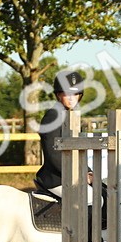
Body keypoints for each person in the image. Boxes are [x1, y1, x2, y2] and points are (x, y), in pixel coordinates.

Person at [35, 69, 85, 199]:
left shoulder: (71, 116)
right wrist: (77, 174)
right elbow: (53, 154)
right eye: (66, 93)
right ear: (58, 95)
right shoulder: (53, 115)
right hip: (56, 178)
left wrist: (88, 172)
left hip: (70, 175)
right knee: (89, 197)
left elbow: (78, 153)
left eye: (75, 94)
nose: (71, 98)